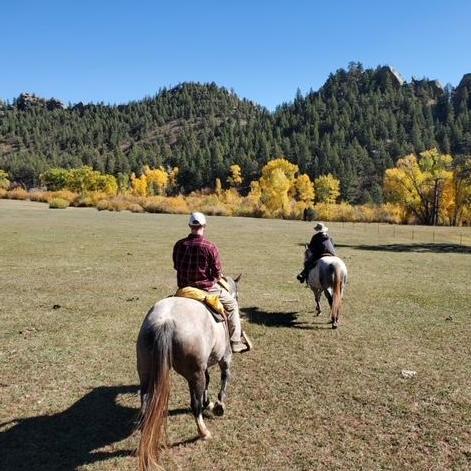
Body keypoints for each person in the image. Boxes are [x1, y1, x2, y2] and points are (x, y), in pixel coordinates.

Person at [173, 212, 249, 353]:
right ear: (204, 226)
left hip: (184, 289)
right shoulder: (209, 247)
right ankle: (235, 342)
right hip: (207, 289)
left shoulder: (179, 244)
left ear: (190, 225)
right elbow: (217, 273)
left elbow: (177, 266)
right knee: (232, 305)